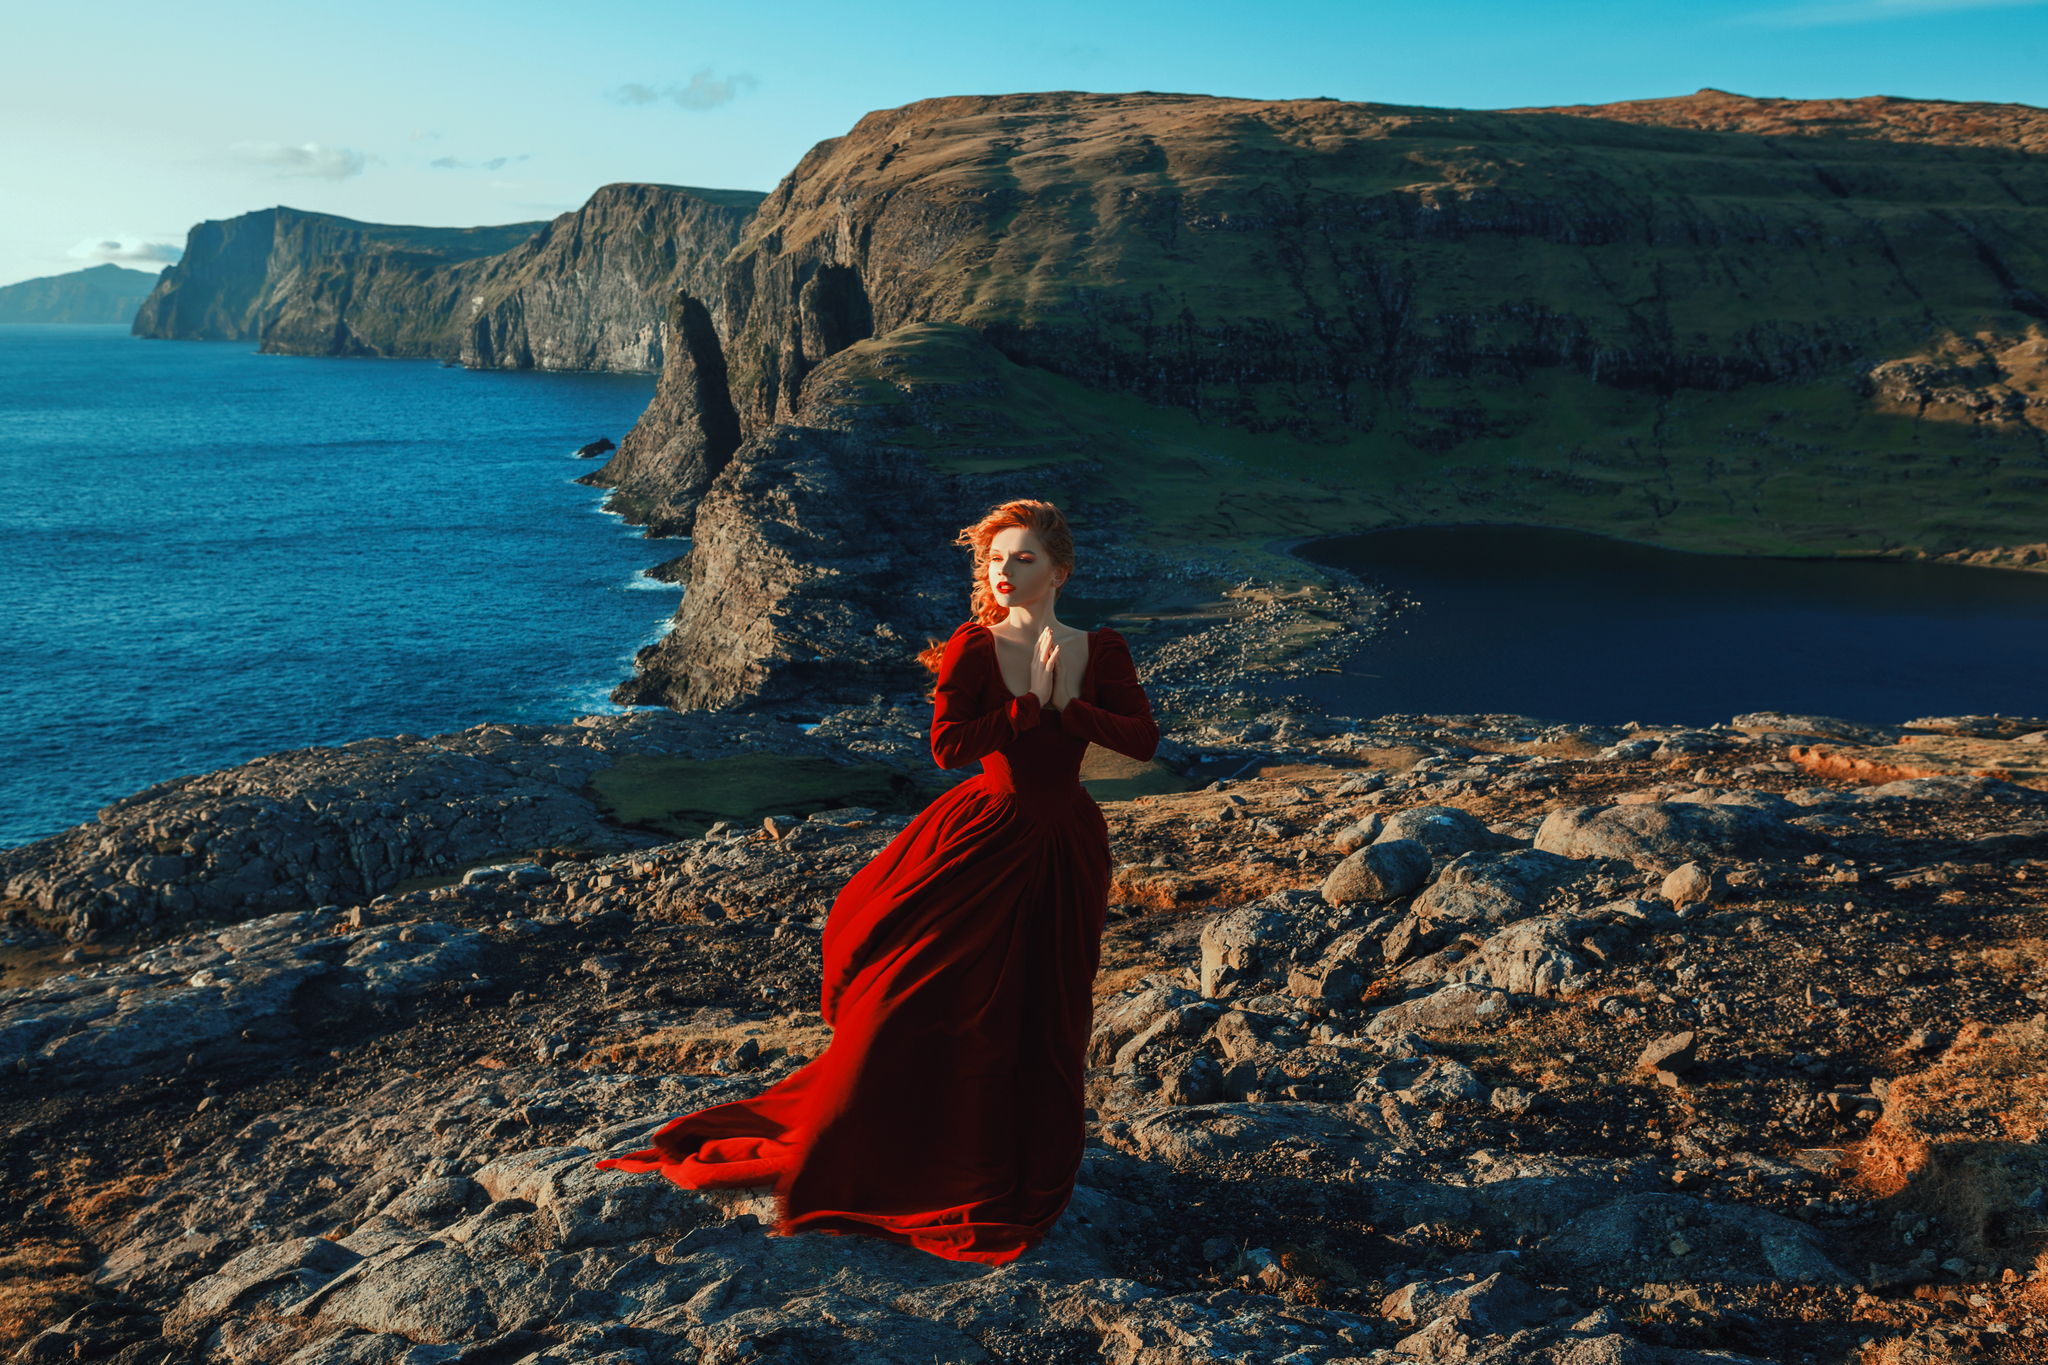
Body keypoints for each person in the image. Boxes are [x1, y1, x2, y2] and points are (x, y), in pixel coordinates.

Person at [596, 499, 1158, 1265]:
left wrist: (1076, 707)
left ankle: (1017, 1162)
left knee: (1045, 1010)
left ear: (1059, 569)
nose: (1004, 571)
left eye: (1022, 558)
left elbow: (1142, 737)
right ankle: (901, 1151)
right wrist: (1031, 710)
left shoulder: (1101, 649)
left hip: (1066, 849)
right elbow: (946, 746)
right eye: (995, 559)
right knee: (925, 998)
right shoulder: (974, 646)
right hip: (983, 840)